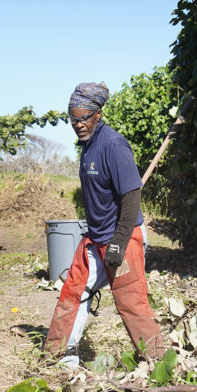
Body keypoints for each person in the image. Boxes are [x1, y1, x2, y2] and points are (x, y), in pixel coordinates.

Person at [43, 82, 165, 368]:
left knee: (130, 303)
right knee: (72, 293)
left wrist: (119, 243)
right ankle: (57, 358)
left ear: (98, 114)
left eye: (84, 118)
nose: (78, 124)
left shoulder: (113, 145)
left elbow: (132, 196)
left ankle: (159, 364)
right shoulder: (87, 147)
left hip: (123, 238)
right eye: (73, 119)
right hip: (94, 239)